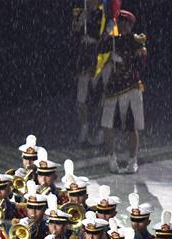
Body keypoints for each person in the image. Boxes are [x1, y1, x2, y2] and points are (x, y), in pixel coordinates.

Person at [98, 10, 147, 174]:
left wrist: (124, 60)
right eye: (120, 22)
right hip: (113, 89)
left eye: (127, 23)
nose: (124, 26)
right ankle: (111, 158)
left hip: (130, 88)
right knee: (107, 125)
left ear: (131, 25)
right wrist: (107, 32)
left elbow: (141, 65)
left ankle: (133, 160)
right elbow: (99, 48)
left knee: (131, 127)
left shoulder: (136, 41)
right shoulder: (113, 41)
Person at [71, 0, 106, 145]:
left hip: (99, 56)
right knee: (80, 98)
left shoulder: (104, 14)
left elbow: (106, 36)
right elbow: (74, 32)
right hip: (84, 57)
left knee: (101, 97)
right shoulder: (80, 12)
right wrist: (80, 21)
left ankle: (102, 130)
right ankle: (84, 127)